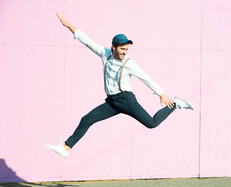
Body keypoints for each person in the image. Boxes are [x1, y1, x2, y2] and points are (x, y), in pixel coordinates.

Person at [46, 13, 194, 159]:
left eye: (126, 49)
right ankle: (66, 148)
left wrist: (161, 93)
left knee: (152, 123)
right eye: (122, 49)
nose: (125, 52)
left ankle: (175, 104)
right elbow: (87, 41)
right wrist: (69, 26)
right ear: (113, 47)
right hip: (112, 102)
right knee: (86, 119)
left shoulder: (129, 63)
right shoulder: (104, 53)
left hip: (126, 100)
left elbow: (146, 78)